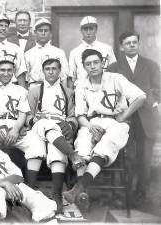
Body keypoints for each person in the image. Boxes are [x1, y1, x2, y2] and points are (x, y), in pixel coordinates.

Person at [62, 49, 146, 211]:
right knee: (82, 145)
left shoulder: (116, 79)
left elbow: (140, 97)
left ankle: (79, 188)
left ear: (102, 63)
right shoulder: (81, 86)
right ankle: (82, 194)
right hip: (92, 122)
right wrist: (90, 126)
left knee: (107, 143)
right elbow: (80, 115)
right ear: (84, 67)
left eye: (95, 62)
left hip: (115, 122)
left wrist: (123, 116)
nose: (92, 66)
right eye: (88, 64)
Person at [0, 122, 57, 225]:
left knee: (41, 201)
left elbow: (18, 177)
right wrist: (5, 184)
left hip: (14, 188)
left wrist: (7, 184)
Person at [26, 56, 84, 214]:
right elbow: (28, 116)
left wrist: (70, 125)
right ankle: (73, 155)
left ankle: (57, 194)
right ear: (43, 71)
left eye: (54, 69)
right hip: (39, 127)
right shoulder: (34, 91)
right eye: (47, 69)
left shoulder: (68, 92)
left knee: (56, 151)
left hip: (59, 131)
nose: (51, 72)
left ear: (60, 71)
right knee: (37, 144)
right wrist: (35, 120)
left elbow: (72, 116)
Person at [108, 31, 160, 203]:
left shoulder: (151, 65)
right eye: (127, 43)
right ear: (121, 47)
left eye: (134, 42)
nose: (131, 45)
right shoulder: (114, 68)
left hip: (146, 117)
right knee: (127, 156)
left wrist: (147, 96)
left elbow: (158, 90)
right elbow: (110, 92)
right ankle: (125, 192)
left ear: (138, 44)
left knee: (144, 157)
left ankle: (142, 193)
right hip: (125, 117)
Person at [0, 51, 46, 179]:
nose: (6, 74)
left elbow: (23, 113)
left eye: (9, 70)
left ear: (13, 71)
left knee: (36, 143)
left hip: (15, 125)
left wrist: (16, 130)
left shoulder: (21, 90)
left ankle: (30, 185)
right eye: (2, 70)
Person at [68, 16, 116, 88]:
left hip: (103, 88)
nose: (88, 32)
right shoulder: (74, 52)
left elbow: (114, 71)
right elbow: (71, 77)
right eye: (85, 29)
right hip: (82, 90)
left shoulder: (107, 49)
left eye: (91, 29)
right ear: (81, 30)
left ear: (96, 29)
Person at [25, 18, 69, 88]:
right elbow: (25, 78)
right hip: (35, 87)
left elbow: (64, 76)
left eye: (46, 31)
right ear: (35, 33)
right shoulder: (28, 54)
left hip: (55, 87)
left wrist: (64, 94)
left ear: (50, 33)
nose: (43, 33)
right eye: (40, 31)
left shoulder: (59, 52)